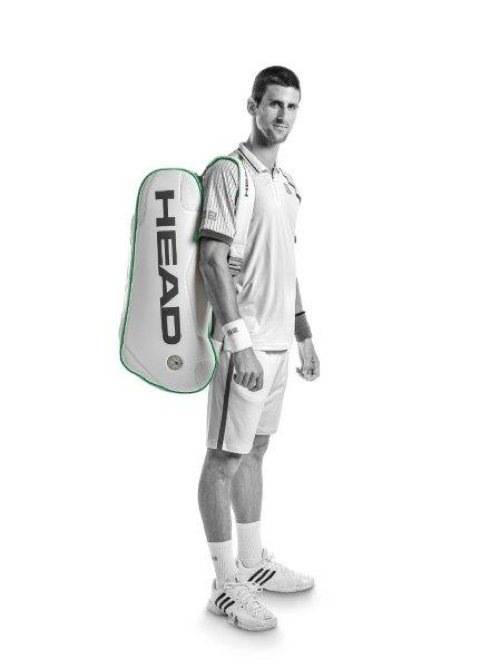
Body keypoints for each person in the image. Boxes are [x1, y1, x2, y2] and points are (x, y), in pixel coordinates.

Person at [197, 66, 320, 632]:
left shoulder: (287, 185)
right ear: (253, 106)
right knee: (223, 457)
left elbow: (285, 265)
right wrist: (238, 341)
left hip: (277, 346)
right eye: (273, 104)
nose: (282, 115)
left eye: (291, 106)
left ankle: (251, 563)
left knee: (256, 451)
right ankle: (224, 584)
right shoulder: (231, 173)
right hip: (243, 346)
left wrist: (304, 334)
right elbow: (212, 258)